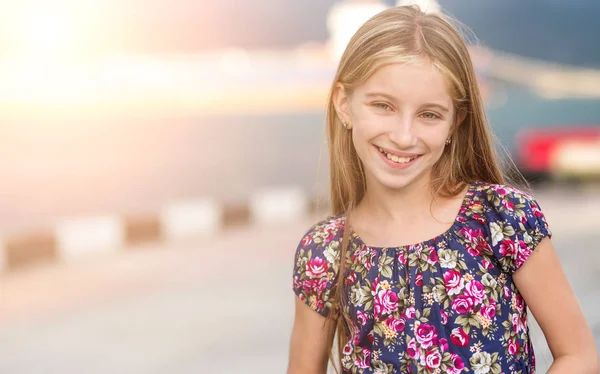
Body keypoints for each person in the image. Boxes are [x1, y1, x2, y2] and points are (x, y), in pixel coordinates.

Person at [287, 5, 598, 374]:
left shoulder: (501, 218)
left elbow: (578, 356)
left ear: (456, 122)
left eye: (429, 114)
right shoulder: (325, 253)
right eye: (383, 106)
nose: (404, 136)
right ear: (344, 104)